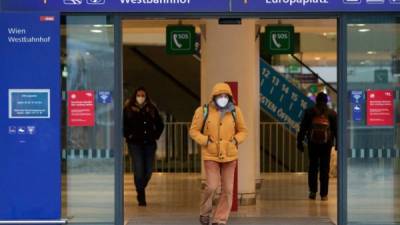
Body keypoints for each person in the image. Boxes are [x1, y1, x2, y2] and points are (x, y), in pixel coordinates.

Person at [189, 83, 248, 225]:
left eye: (225, 96)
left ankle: (220, 219)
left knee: (228, 189)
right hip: (211, 154)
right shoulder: (203, 111)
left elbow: (243, 131)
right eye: (220, 96)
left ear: (229, 97)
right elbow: (194, 130)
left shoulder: (235, 111)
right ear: (214, 97)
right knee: (212, 186)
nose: (223, 98)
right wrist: (206, 141)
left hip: (230, 155)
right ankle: (204, 212)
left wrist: (234, 141)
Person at [123, 87, 164, 206]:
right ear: (135, 96)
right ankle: (141, 194)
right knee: (139, 168)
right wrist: (128, 135)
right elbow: (123, 124)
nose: (140, 97)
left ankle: (141, 187)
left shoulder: (151, 108)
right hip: (135, 143)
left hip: (149, 143)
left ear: (146, 96)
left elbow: (160, 124)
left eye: (143, 95)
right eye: (138, 95)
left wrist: (155, 135)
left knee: (148, 170)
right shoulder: (128, 109)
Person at [297, 92, 337, 201]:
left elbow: (303, 128)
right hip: (326, 144)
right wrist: (337, 145)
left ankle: (313, 192)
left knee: (313, 167)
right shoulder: (332, 113)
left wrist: (299, 142)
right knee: (325, 168)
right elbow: (336, 130)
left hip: (312, 143)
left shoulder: (309, 112)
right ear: (326, 101)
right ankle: (324, 194)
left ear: (316, 100)